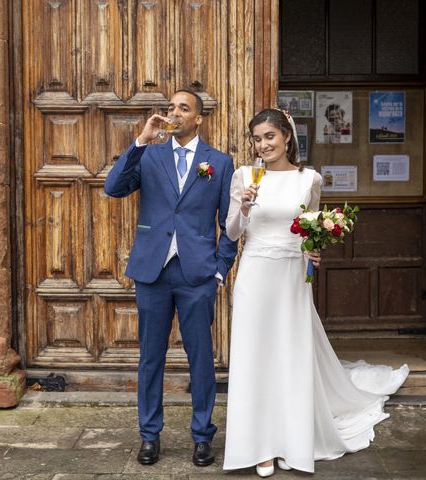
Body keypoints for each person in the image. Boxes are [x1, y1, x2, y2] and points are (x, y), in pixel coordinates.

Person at [222, 108, 409, 477]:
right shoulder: (244, 175)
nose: (263, 145)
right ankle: (259, 447)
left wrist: (313, 250)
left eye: (270, 137)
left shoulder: (309, 178)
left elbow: (309, 228)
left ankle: (292, 440)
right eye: (257, 139)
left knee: (290, 355)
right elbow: (230, 233)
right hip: (255, 272)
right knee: (254, 357)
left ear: (287, 137)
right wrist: (243, 207)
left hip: (291, 275)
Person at [104, 90, 238, 467]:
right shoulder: (149, 154)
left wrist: (219, 268)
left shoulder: (219, 163)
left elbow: (229, 224)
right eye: (171, 108)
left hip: (197, 273)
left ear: (198, 119)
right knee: (150, 358)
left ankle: (201, 436)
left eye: (184, 108)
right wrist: (141, 140)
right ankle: (149, 435)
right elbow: (113, 188)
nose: (175, 113)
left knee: (200, 359)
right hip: (153, 271)